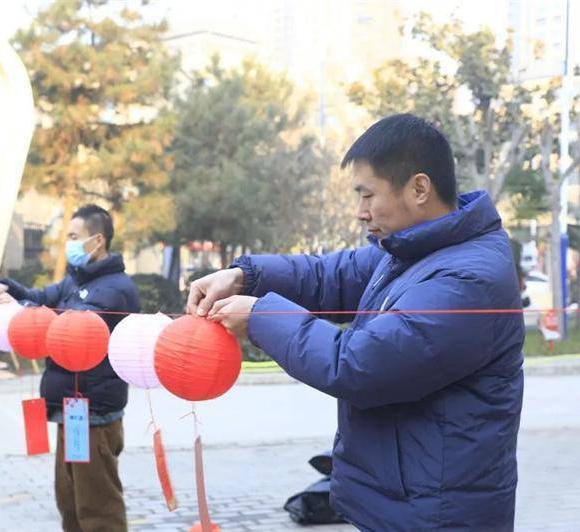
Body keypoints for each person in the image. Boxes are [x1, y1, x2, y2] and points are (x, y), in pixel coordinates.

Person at [187, 114, 525, 531]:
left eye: (368, 196)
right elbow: (332, 275)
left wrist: (260, 316)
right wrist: (245, 276)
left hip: (439, 515)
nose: (360, 213)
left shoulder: (468, 278)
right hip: (403, 504)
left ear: (419, 188)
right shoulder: (412, 248)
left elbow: (361, 365)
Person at [0, 204, 139, 532]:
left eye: (73, 237)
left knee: (98, 510)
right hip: (72, 410)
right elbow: (39, 298)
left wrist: (21, 311)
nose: (66, 243)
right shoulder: (74, 281)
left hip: (95, 413)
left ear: (96, 241)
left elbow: (67, 325)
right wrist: (9, 290)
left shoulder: (114, 289)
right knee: (70, 503)